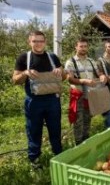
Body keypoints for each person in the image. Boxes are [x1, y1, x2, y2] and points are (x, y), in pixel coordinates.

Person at [12, 30, 65, 168]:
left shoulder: (52, 57)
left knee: (55, 129)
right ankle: (34, 159)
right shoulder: (24, 58)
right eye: (35, 41)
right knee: (34, 130)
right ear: (29, 42)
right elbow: (15, 80)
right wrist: (25, 73)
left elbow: (64, 77)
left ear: (45, 42)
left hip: (53, 100)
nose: (38, 43)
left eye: (41, 41)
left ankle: (59, 156)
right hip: (34, 101)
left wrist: (61, 72)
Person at [65, 37, 107, 145]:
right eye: (81, 46)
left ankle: (86, 141)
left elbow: (99, 72)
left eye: (85, 46)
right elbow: (69, 79)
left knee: (88, 118)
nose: (83, 48)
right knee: (78, 121)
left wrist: (102, 76)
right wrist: (83, 80)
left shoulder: (91, 61)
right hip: (78, 95)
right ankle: (78, 144)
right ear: (76, 47)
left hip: (90, 94)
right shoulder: (71, 62)